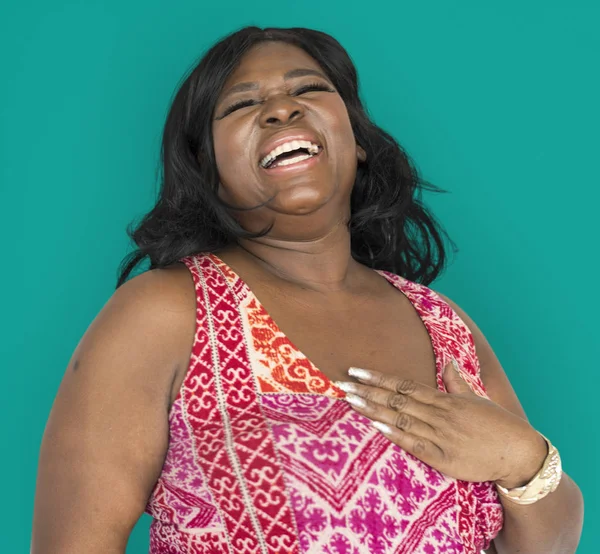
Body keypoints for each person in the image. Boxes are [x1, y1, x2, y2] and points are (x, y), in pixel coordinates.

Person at [31, 26, 583, 554]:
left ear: (357, 141)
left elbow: (547, 542)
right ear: (209, 168)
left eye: (308, 89)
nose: (281, 108)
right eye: (242, 104)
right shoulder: (165, 312)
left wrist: (522, 458)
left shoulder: (445, 325)